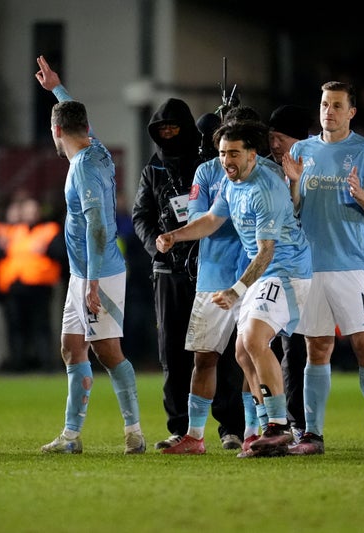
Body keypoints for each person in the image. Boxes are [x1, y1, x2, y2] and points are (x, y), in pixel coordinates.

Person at [157, 120, 311, 458]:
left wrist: (235, 291)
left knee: (253, 340)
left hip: (286, 271)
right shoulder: (230, 183)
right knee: (242, 351)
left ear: (252, 155)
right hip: (265, 274)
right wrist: (175, 235)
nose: (227, 159)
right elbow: (212, 219)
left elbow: (267, 250)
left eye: (235, 153)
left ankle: (278, 425)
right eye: (223, 152)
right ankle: (266, 431)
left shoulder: (264, 188)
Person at [281, 81, 364, 456]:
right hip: (310, 267)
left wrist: (360, 195)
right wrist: (293, 184)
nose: (330, 111)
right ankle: (312, 435)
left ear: (351, 111)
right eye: (325, 104)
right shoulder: (300, 151)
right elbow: (292, 210)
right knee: (317, 348)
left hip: (352, 266)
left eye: (338, 105)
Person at [35, 55, 145, 454]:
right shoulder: (95, 148)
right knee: (71, 346)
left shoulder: (82, 168)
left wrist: (93, 283)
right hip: (85, 271)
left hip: (99, 272)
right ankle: (71, 436)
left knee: (107, 350)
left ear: (57, 130)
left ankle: (134, 432)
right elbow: (74, 118)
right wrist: (57, 90)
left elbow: (99, 227)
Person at [133, 96, 243, 450]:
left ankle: (231, 426)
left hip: (208, 268)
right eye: (161, 130)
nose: (167, 135)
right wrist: (157, 247)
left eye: (173, 128)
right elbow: (141, 217)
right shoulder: (153, 170)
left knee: (221, 351)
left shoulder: (208, 164)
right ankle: (180, 426)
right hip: (168, 272)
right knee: (172, 352)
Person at [160, 111, 247, 454]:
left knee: (250, 356)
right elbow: (198, 217)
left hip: (252, 277)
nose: (225, 156)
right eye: (221, 148)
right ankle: (195, 435)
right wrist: (212, 223)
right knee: (204, 357)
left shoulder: (264, 175)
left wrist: (215, 221)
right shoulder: (207, 173)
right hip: (212, 276)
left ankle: (252, 431)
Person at [266, 103, 312, 442]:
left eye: (280, 138)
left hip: (307, 269)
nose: (275, 145)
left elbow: (299, 212)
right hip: (273, 270)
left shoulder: (314, 168)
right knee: (268, 345)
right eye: (271, 138)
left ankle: (301, 424)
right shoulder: (267, 171)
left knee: (302, 349)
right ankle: (272, 421)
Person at [0, 195, 65, 372]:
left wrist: (46, 249)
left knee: (41, 326)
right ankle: (18, 363)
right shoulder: (11, 231)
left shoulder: (49, 230)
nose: (30, 214)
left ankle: (46, 363)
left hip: (40, 286)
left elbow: (61, 254)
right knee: (16, 327)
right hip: (14, 286)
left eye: (33, 211)